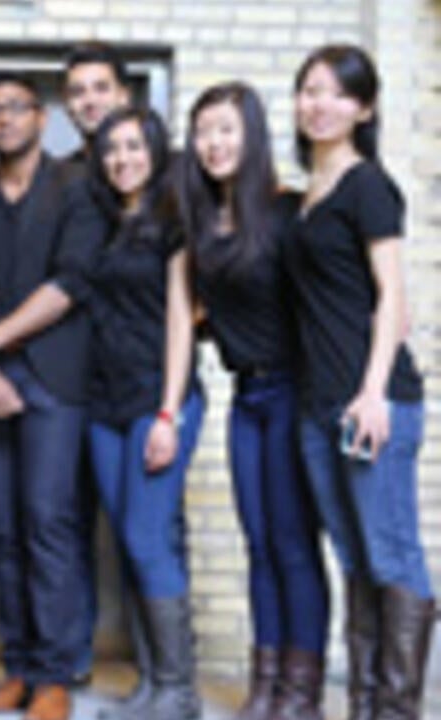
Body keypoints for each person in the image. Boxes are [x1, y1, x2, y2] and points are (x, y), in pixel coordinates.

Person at [0, 73, 105, 720]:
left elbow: (71, 282)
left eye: (15, 108)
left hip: (54, 380)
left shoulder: (76, 189)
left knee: (48, 526)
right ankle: (19, 671)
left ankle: (56, 677)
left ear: (40, 117)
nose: (2, 119)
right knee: (2, 532)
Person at [284, 44, 433, 720]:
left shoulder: (369, 185)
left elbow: (393, 297)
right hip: (317, 403)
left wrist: (373, 392)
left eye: (338, 93)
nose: (320, 103)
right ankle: (367, 704)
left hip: (371, 399)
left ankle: (396, 710)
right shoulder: (305, 198)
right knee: (353, 557)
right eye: (309, 90)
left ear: (364, 107)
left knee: (391, 552)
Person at [176, 82, 329, 720]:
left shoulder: (289, 212)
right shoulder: (202, 230)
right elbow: (204, 314)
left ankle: (303, 690)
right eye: (204, 130)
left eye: (227, 129)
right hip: (247, 397)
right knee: (259, 544)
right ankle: (266, 684)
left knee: (294, 543)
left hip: (295, 391)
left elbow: (327, 307)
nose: (214, 143)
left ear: (254, 135)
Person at [85, 106, 203, 720]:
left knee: (146, 537)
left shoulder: (174, 220)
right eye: (111, 149)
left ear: (155, 151)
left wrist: (169, 412)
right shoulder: (106, 223)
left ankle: (180, 692)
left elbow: (182, 319)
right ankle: (155, 685)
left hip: (156, 396)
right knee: (133, 543)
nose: (122, 158)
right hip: (103, 403)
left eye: (133, 146)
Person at [60, 41, 134, 687]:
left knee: (144, 525)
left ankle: (163, 667)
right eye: (78, 91)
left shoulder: (153, 177)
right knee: (70, 520)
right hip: (68, 379)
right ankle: (74, 658)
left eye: (100, 87)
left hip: (134, 383)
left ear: (124, 95)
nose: (90, 100)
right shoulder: (59, 177)